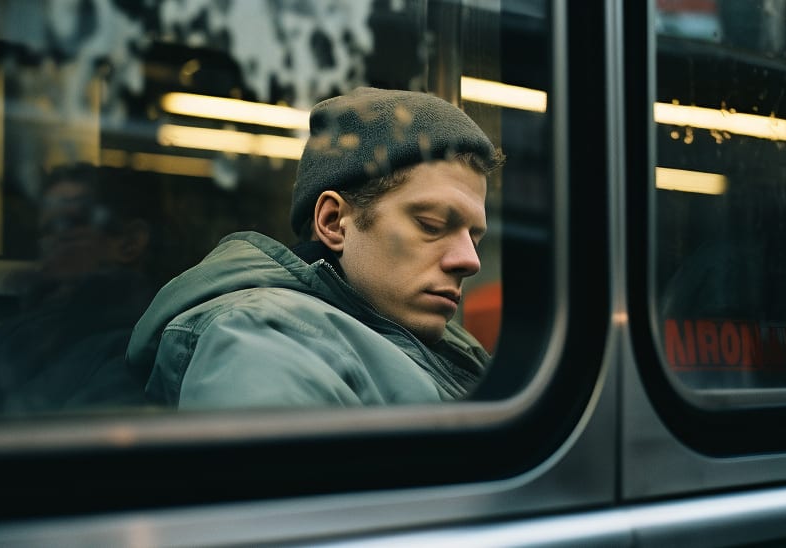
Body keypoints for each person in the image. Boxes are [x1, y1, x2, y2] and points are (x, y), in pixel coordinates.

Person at [127, 86, 504, 409]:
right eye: (431, 225)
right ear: (332, 222)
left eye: (474, 238)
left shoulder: (436, 338)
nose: (469, 261)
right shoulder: (260, 341)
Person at [0, 163, 160, 415]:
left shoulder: (132, 348)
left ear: (130, 243)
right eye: (47, 230)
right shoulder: (20, 331)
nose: (52, 242)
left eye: (70, 224)